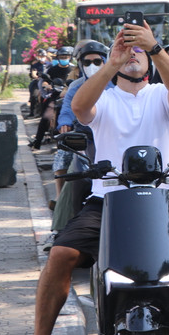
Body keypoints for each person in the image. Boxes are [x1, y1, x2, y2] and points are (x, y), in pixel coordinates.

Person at [7, 21, 169, 335]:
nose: (132, 56)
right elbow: (79, 107)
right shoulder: (103, 97)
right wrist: (111, 62)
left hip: (163, 198)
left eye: (139, 51)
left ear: (151, 59)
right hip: (107, 199)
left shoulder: (161, 94)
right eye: (126, 51)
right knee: (61, 254)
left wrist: (154, 46)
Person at [45, 40, 113, 240]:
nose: (93, 66)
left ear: (107, 61)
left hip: (115, 144)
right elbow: (66, 111)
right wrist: (64, 124)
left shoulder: (117, 85)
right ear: (81, 64)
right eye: (88, 62)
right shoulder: (76, 87)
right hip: (86, 144)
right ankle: (59, 229)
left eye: (98, 61)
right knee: (74, 180)